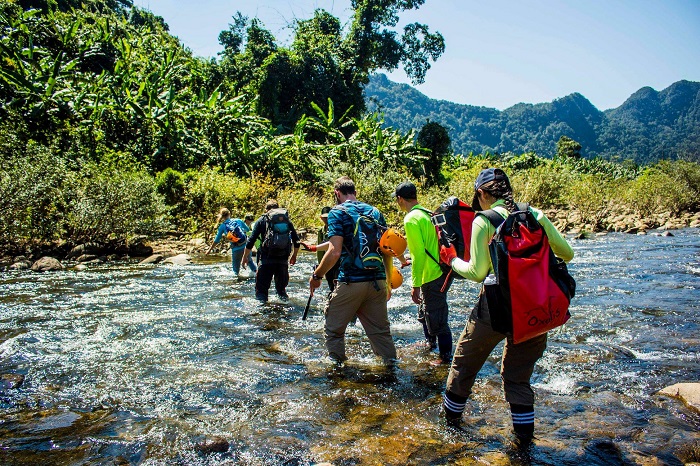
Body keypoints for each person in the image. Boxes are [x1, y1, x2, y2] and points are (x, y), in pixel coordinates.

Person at [439, 168, 574, 441]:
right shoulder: (534, 214)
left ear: (481, 194)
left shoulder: (484, 220)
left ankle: (449, 430)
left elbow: (477, 272)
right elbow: (567, 254)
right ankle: (524, 445)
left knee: (464, 366)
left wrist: (451, 259)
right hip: (536, 306)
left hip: (495, 308)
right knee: (518, 378)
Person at [309, 176, 397, 365]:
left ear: (337, 193)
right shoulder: (375, 212)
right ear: (355, 193)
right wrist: (388, 282)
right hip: (377, 280)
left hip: (351, 281)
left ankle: (338, 373)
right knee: (381, 333)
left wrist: (317, 275)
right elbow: (387, 249)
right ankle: (391, 371)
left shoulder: (337, 213)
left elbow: (335, 251)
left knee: (334, 330)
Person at [394, 181, 453, 366]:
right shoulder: (427, 212)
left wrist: (415, 284)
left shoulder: (411, 219)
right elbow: (429, 246)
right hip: (442, 269)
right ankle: (430, 344)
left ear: (400, 199)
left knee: (437, 315)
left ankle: (445, 358)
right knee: (426, 311)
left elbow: (419, 253)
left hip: (432, 275)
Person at [242, 199, 300, 302]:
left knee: (261, 293)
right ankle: (285, 313)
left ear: (266, 209)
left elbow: (251, 241)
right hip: (282, 261)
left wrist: (245, 257)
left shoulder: (261, 220)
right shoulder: (286, 220)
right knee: (281, 292)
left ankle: (262, 315)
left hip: (266, 260)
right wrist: (294, 255)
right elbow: (296, 240)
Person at [301, 206, 340, 292]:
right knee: (331, 285)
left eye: (328, 217)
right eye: (324, 217)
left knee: (337, 285)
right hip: (327, 262)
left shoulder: (337, 229)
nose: (326, 219)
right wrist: (320, 266)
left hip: (337, 262)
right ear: (321, 218)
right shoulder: (321, 231)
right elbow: (320, 250)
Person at [205, 208, 252, 276]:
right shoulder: (238, 220)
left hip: (236, 249)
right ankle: (255, 273)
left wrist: (209, 250)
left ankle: (237, 282)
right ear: (229, 213)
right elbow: (247, 230)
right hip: (246, 246)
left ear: (221, 216)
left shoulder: (222, 226)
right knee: (250, 262)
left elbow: (217, 240)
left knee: (236, 271)